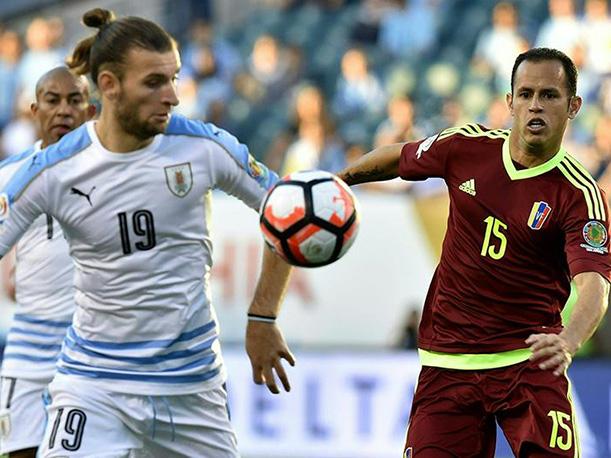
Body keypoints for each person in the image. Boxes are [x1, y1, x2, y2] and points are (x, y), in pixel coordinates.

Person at [0, 8, 294, 457]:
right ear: (109, 85)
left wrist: (264, 316)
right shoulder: (55, 169)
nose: (172, 96)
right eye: (154, 82)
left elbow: (288, 212)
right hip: (93, 384)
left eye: (174, 78)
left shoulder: (203, 147)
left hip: (191, 388)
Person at [337, 47, 610, 457]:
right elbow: (402, 156)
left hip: (530, 361)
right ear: (510, 102)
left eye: (549, 95)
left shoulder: (579, 195)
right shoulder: (467, 146)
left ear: (573, 106)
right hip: (449, 362)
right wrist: (340, 179)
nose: (535, 105)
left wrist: (569, 340)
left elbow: (594, 284)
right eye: (526, 94)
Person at [0, 66, 94, 458]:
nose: (63, 111)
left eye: (75, 101)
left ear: (91, 112)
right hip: (28, 340)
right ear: (35, 111)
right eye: (53, 101)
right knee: (18, 451)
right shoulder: (9, 175)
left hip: (90, 343)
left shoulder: (112, 171)